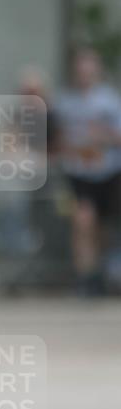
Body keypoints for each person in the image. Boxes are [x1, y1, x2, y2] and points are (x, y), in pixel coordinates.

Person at [53, 47, 121, 295]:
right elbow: (57, 138)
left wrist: (101, 136)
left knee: (102, 229)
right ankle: (86, 278)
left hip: (107, 171)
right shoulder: (65, 101)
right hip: (78, 171)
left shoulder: (110, 100)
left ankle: (102, 273)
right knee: (83, 221)